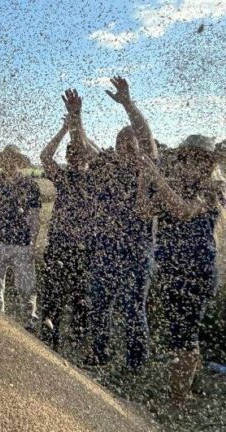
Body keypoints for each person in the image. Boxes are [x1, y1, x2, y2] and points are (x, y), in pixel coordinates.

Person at [136, 135, 224, 407]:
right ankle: (180, 390)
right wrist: (143, 179)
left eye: (199, 159)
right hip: (172, 270)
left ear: (208, 164)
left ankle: (178, 399)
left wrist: (155, 176)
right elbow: (143, 210)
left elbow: (183, 211)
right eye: (188, 158)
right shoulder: (175, 187)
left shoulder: (211, 190)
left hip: (197, 272)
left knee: (186, 336)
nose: (192, 164)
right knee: (178, 335)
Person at [83, 77, 158, 370]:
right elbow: (84, 145)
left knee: (131, 308)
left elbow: (146, 133)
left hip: (137, 252)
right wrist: (76, 120)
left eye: (130, 143)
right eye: (120, 144)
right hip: (105, 248)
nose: (124, 148)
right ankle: (99, 354)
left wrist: (128, 103)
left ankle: (134, 364)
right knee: (99, 303)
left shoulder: (148, 167)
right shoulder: (107, 167)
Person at [38, 90, 97, 351]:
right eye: (71, 156)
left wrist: (77, 120)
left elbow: (94, 153)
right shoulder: (64, 178)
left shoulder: (97, 179)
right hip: (59, 244)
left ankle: (75, 343)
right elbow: (45, 157)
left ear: (87, 158)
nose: (75, 160)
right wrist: (64, 130)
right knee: (52, 293)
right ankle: (50, 339)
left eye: (80, 156)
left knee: (80, 298)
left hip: (84, 248)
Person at [0, 145, 41, 329]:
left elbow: (34, 216)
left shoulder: (30, 185)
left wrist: (33, 242)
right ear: (2, 162)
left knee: (26, 288)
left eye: (13, 160)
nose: (10, 163)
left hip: (22, 243)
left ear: (19, 162)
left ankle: (29, 325)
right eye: (6, 160)